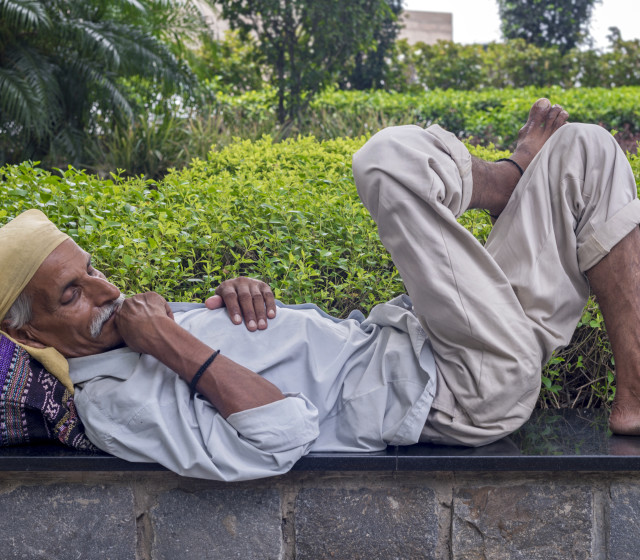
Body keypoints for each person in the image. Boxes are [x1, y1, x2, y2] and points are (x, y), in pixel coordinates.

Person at [1, 99, 639, 481]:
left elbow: (264, 360)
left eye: (91, 269)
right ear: (26, 334)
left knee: (588, 150)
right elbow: (284, 431)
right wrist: (169, 339)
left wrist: (249, 303)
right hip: (459, 384)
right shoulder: (113, 406)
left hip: (436, 337)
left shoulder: (137, 331)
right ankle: (505, 177)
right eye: (71, 295)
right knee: (388, 160)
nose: (103, 290)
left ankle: (635, 398)